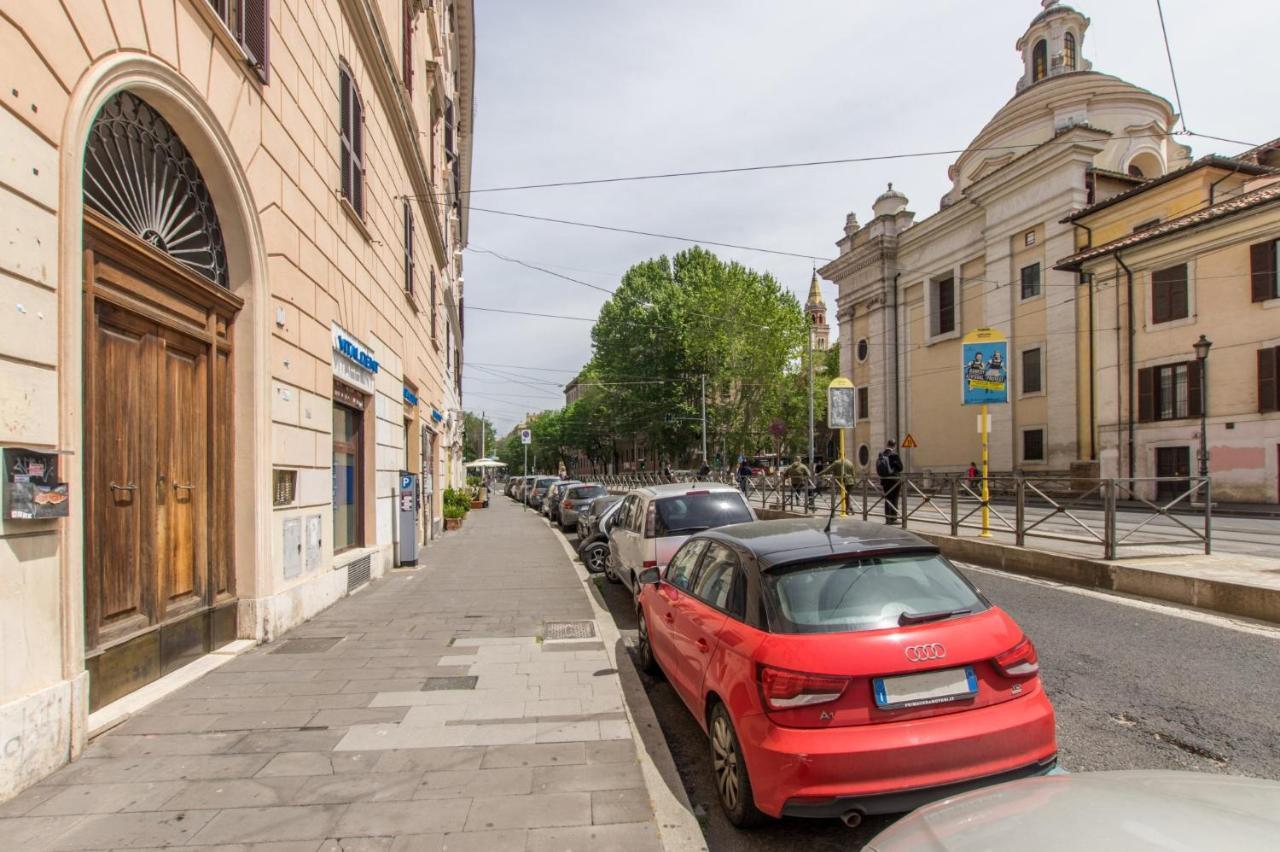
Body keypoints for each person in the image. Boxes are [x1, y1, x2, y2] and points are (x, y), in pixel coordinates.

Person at [876, 440, 904, 524]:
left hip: (884, 481)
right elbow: (901, 468)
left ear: (887, 444)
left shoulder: (881, 455)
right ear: (894, 446)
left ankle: (887, 519)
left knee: (887, 499)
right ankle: (893, 518)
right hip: (894, 480)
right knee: (894, 499)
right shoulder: (894, 455)